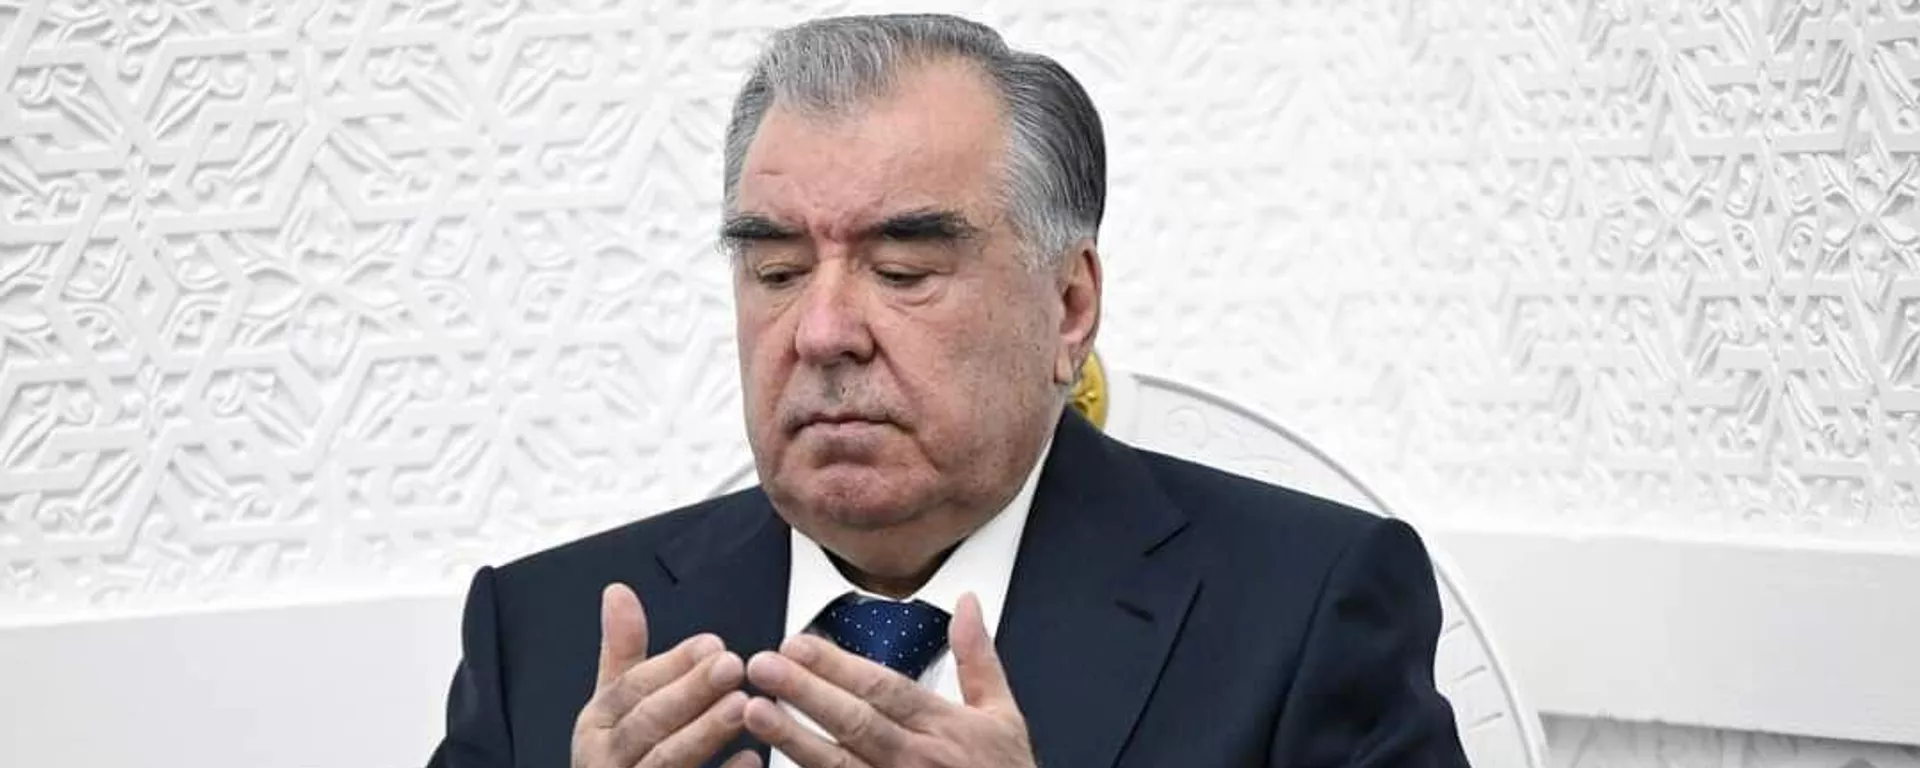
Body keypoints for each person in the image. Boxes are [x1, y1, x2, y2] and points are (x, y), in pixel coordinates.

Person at [427, 13, 1470, 768]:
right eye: (777, 272)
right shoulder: (546, 638)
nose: (824, 332)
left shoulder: (1304, 610)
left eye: (903, 270)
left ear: (1069, 307)